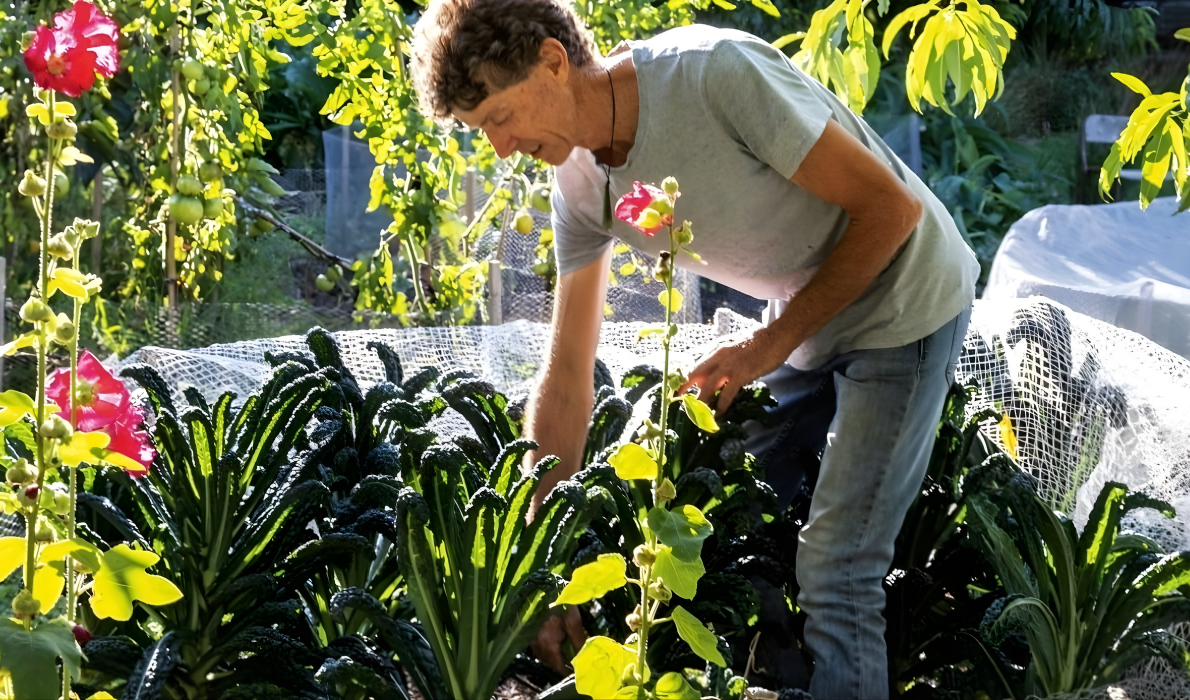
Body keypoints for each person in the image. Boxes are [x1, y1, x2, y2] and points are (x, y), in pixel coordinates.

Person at [410, 1, 977, 697]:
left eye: (500, 117)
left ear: (553, 62)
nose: (499, 147)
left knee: (839, 562)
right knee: (729, 529)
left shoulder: (712, 75)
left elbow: (893, 211)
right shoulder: (582, 188)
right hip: (809, 317)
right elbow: (565, 377)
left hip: (906, 296)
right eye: (481, 131)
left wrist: (765, 345)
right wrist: (547, 557)